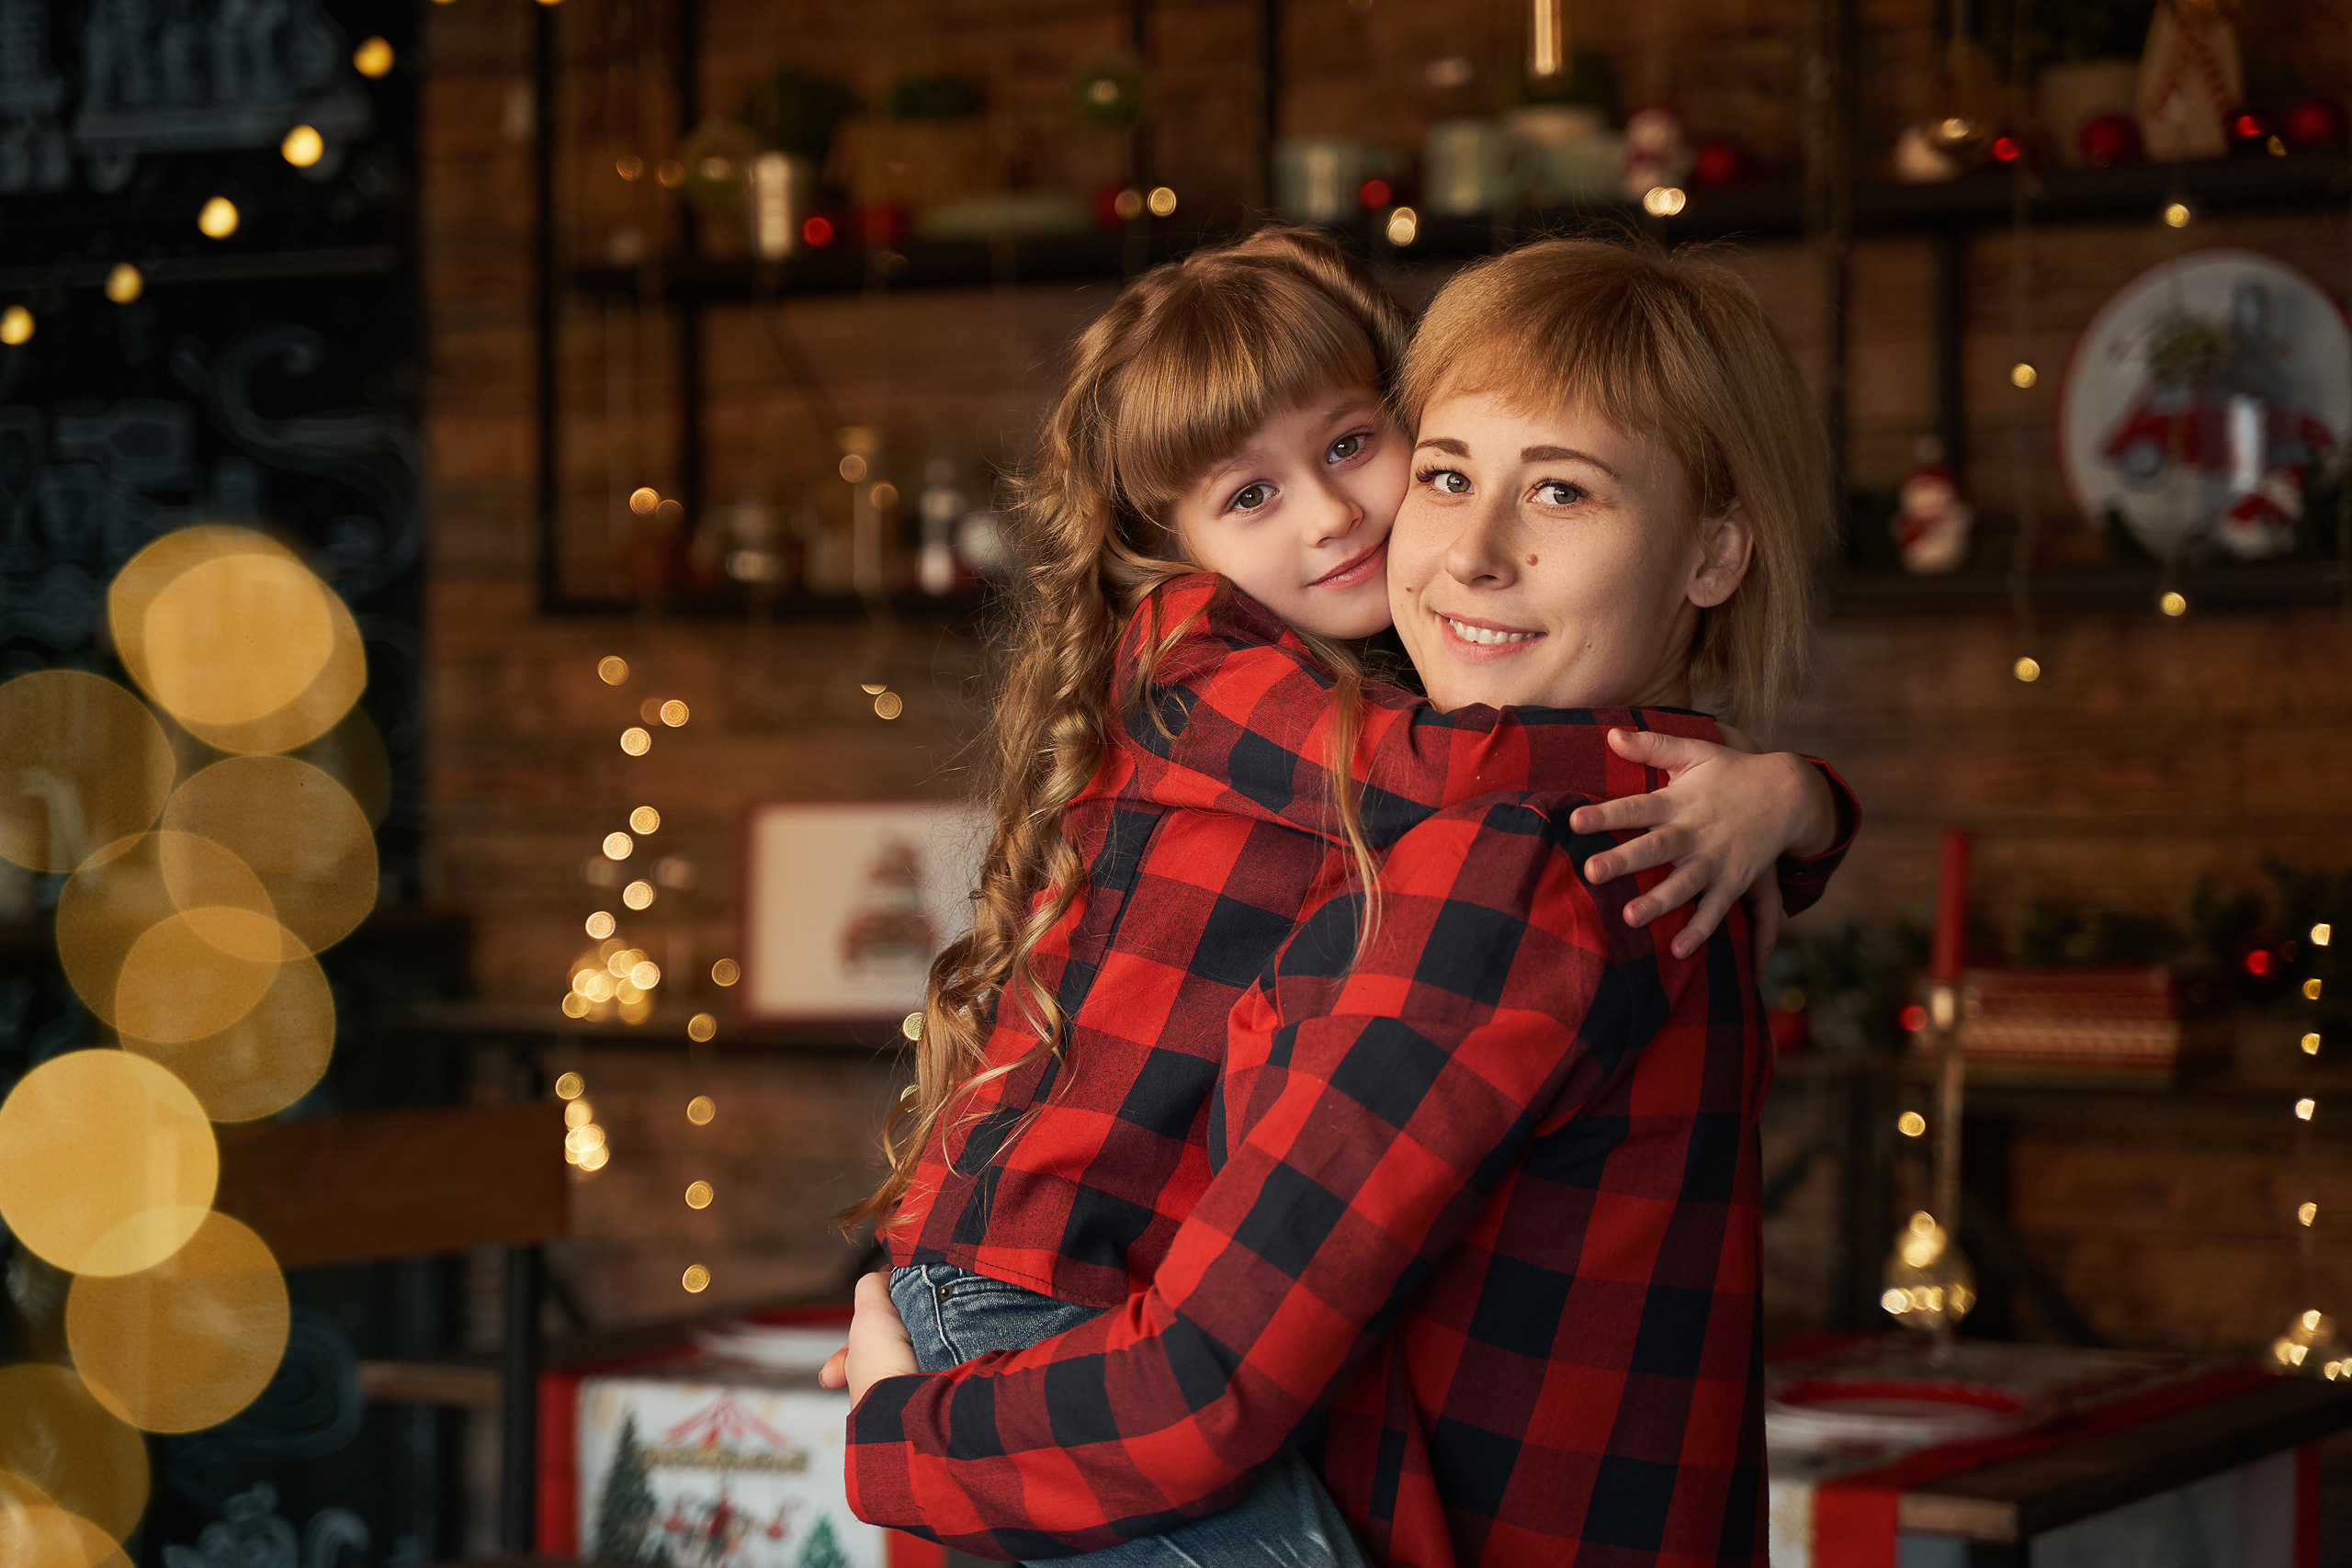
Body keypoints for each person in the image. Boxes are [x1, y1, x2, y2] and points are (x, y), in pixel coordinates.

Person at [831, 233, 1850, 1565]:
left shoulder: (1549, 856)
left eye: (1561, 493)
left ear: (1716, 554)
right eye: (1449, 476)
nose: (1459, 549)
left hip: (1108, 1328)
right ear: (1171, 541)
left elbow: (1203, 1388)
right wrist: (1782, 791)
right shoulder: (1239, 678)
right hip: (1034, 1266)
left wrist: (897, 1430)